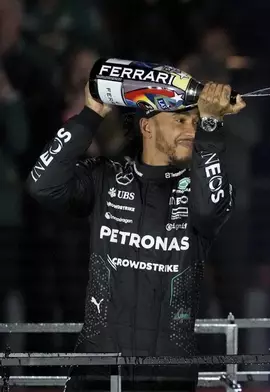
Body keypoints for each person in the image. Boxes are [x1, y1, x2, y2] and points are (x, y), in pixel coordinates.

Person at [26, 80, 245, 391]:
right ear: (147, 127)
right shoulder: (105, 177)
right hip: (97, 368)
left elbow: (210, 211)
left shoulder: (202, 189)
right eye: (180, 120)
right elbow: (42, 185)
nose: (191, 130)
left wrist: (211, 125)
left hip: (168, 373)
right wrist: (90, 115)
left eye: (195, 122)